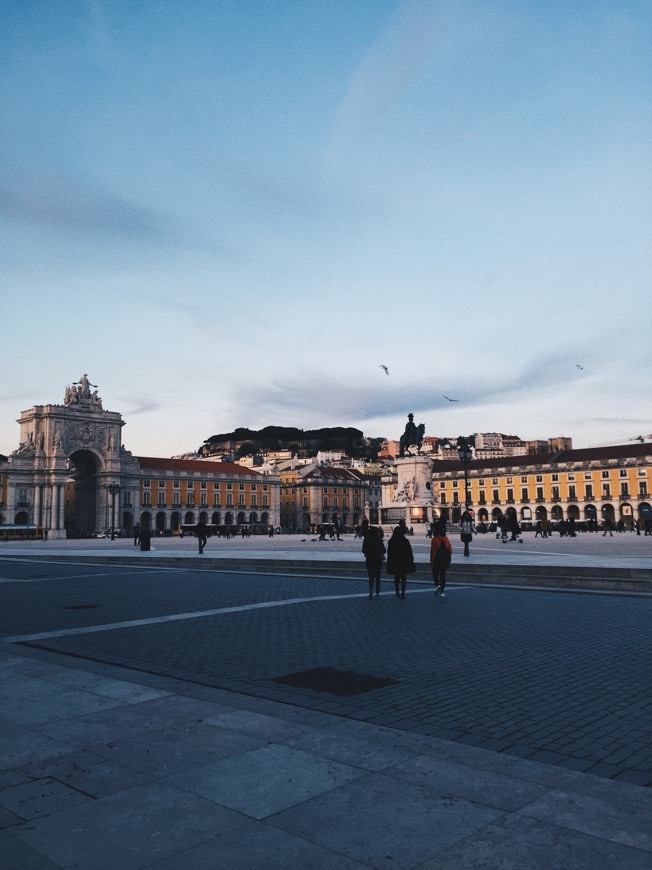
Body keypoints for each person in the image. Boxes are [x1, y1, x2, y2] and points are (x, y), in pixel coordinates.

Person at [386, 525, 415, 599]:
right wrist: (411, 560)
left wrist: (389, 562)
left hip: (395, 562)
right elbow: (409, 552)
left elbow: (389, 553)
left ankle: (397, 590)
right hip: (404, 562)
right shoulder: (405, 541)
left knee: (397, 577)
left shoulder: (391, 541)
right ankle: (403, 593)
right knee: (404, 578)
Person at [362, 525, 386, 598]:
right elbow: (384, 550)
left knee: (371, 577)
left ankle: (371, 590)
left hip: (369, 560)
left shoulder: (366, 539)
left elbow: (363, 550)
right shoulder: (379, 539)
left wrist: (368, 552)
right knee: (378, 577)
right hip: (378, 560)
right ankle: (377, 592)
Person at [430, 522, 452, 597]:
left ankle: (438, 585)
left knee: (435, 574)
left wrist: (432, 561)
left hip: (437, 559)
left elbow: (433, 551)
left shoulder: (434, 539)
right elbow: (449, 548)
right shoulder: (445, 538)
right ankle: (442, 592)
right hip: (444, 559)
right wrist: (449, 557)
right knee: (443, 575)